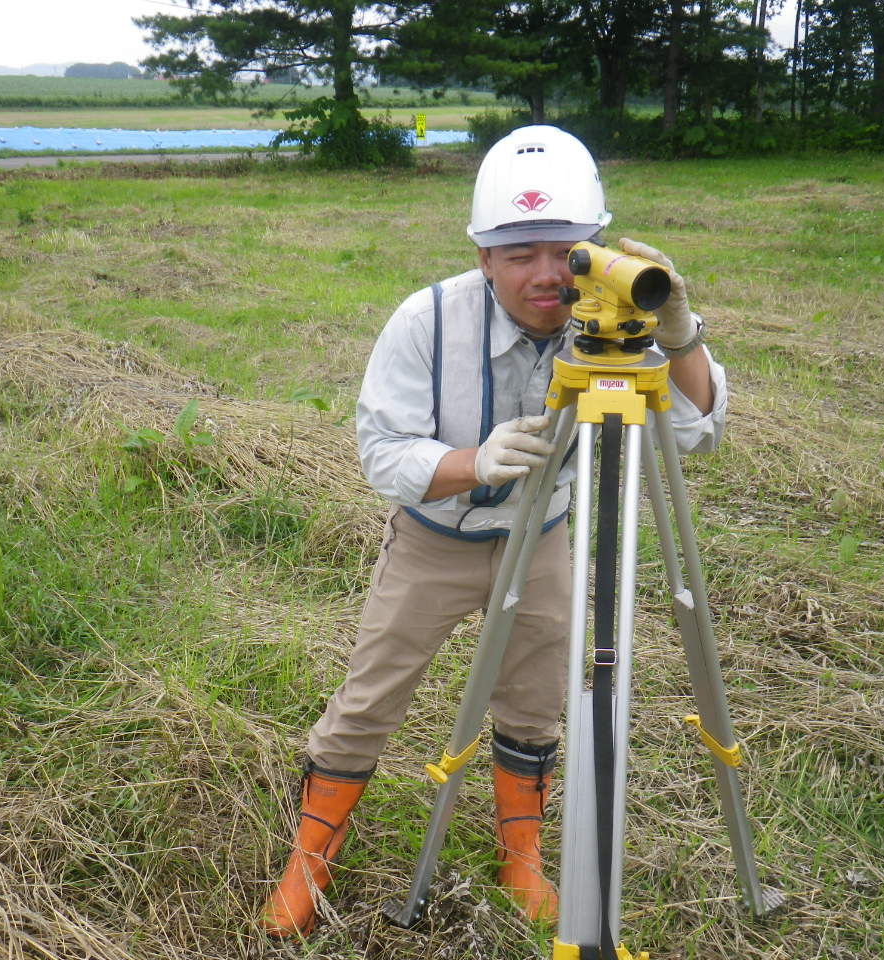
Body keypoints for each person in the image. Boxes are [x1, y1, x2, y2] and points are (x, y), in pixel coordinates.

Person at [260, 125, 728, 938]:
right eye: (518, 255)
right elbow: (381, 450)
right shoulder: (425, 320)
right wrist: (472, 461)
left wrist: (677, 332)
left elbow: (696, 431)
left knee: (534, 706)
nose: (546, 275)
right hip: (433, 542)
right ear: (482, 258)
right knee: (368, 700)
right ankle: (308, 860)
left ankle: (523, 859)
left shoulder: (617, 322)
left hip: (542, 539)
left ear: (593, 246)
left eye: (565, 250)